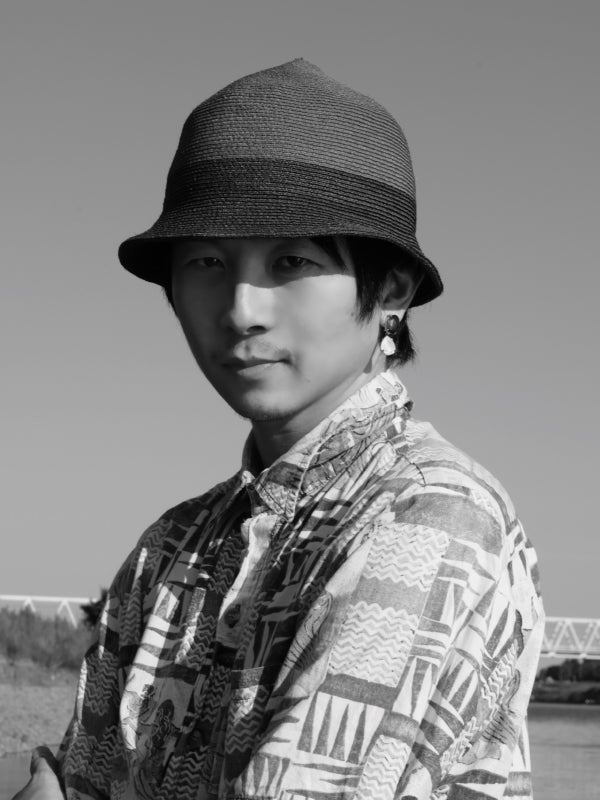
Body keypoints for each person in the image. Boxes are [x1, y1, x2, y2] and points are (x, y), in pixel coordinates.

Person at [14, 59, 544, 800]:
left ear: (392, 289)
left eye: (291, 260)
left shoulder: (428, 518)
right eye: (207, 261)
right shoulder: (172, 545)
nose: (241, 308)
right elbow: (79, 780)